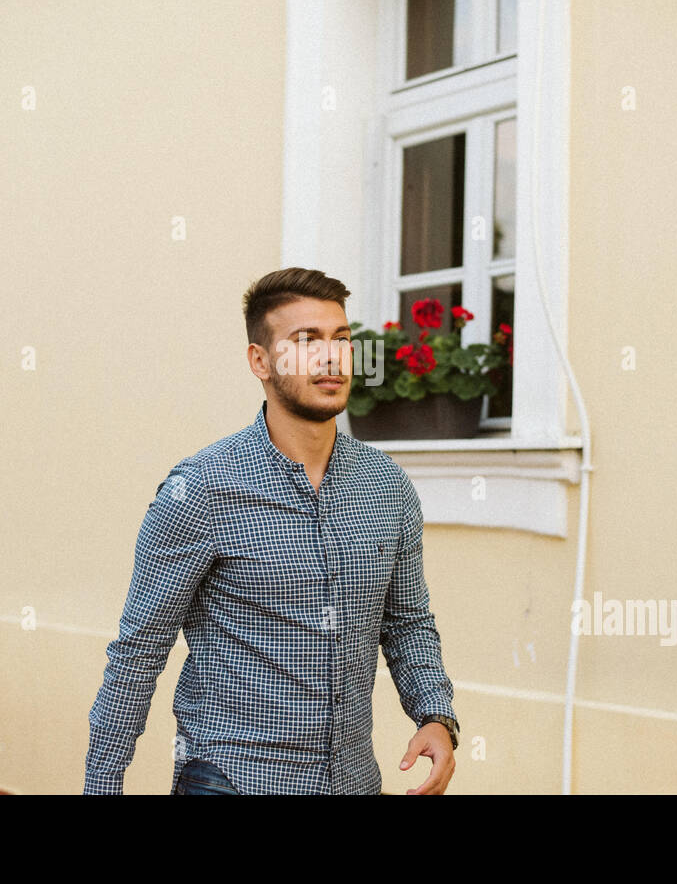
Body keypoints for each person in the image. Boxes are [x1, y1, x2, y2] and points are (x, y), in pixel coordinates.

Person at [83, 267, 460, 795]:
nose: (331, 358)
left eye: (341, 340)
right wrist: (102, 784)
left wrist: (435, 716)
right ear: (260, 361)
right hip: (232, 780)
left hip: (353, 782)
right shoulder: (202, 489)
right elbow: (139, 650)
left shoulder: (386, 486)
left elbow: (407, 623)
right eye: (306, 342)